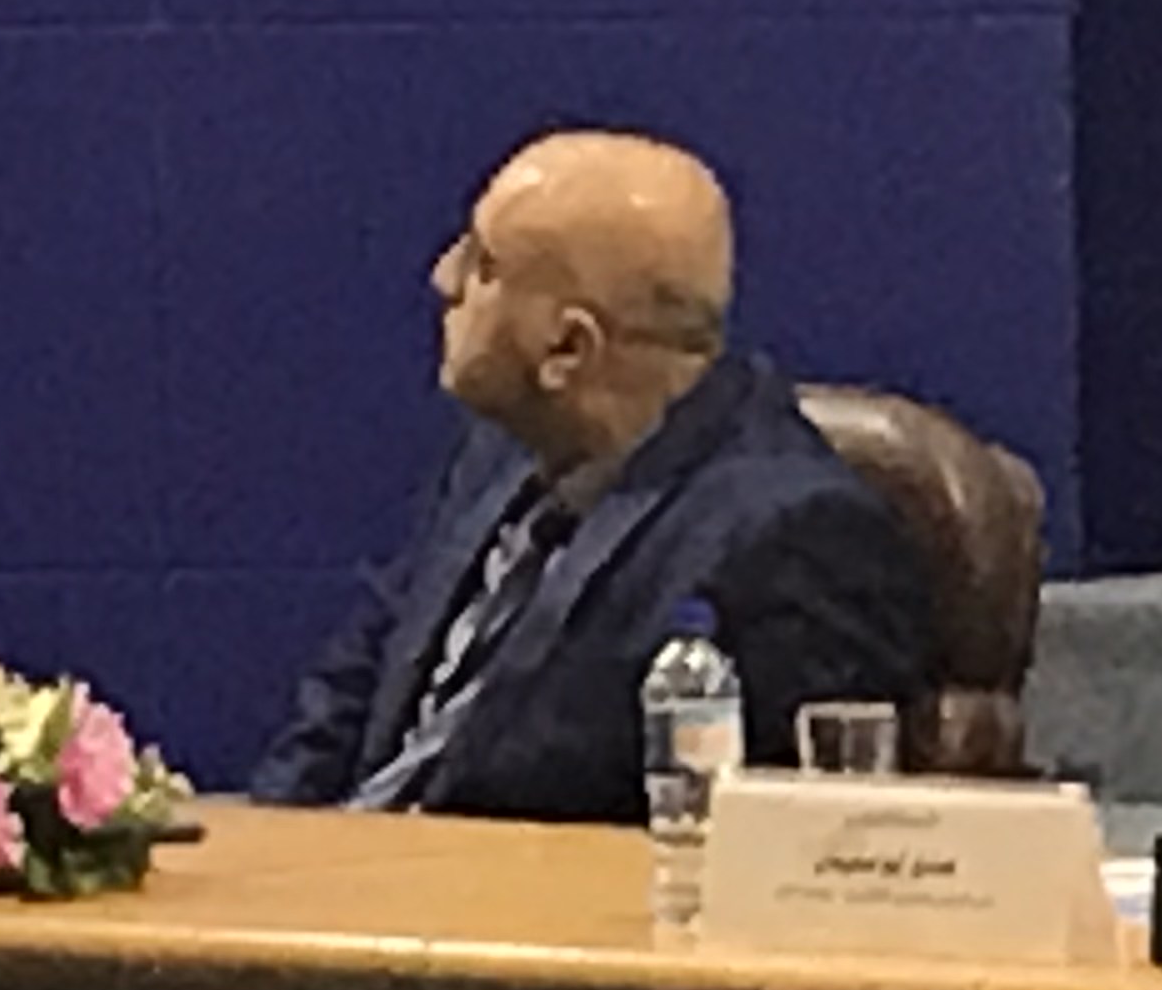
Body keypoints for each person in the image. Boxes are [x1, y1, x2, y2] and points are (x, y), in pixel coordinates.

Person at [251, 128, 931, 824]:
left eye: (484, 265)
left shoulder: (794, 538)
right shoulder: (497, 452)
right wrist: (265, 842)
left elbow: (782, 843)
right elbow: (354, 691)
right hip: (355, 875)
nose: (444, 278)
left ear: (569, 348)